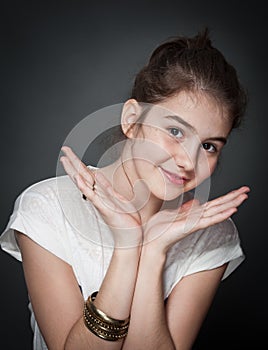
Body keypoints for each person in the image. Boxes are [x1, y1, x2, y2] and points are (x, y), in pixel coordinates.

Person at [0, 28, 250, 350]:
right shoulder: (47, 208)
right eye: (175, 130)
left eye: (209, 146)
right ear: (132, 119)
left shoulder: (210, 232)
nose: (189, 161)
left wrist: (151, 253)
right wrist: (127, 246)